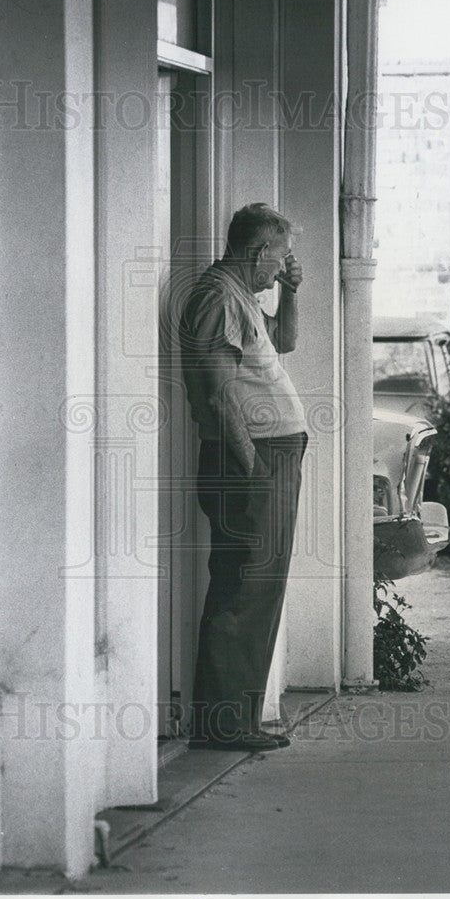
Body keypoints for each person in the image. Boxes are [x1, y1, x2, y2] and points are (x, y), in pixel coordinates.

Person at [178, 203, 308, 752]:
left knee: (258, 585)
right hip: (251, 458)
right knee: (245, 586)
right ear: (258, 254)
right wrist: (250, 465)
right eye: (279, 260)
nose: (281, 267)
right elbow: (218, 392)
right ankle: (225, 724)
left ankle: (236, 718)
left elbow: (284, 343)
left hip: (265, 454)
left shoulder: (241, 298)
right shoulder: (218, 298)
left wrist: (291, 292)